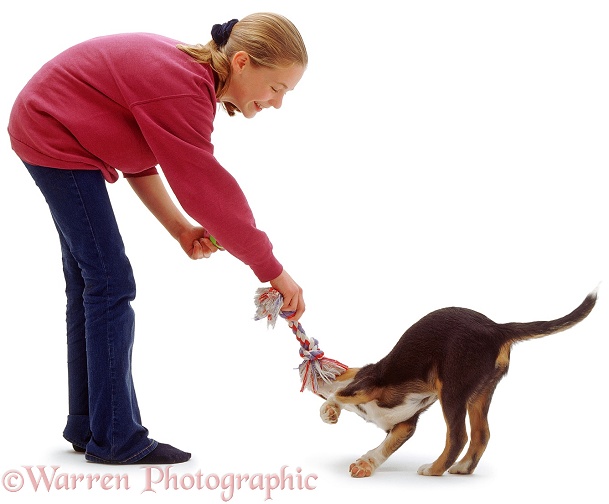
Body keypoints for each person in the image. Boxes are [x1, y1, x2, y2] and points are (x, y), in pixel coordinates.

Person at [7, 12, 307, 465]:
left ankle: (90, 425)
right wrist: (273, 271)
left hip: (52, 127)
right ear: (242, 62)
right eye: (277, 88)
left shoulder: (187, 80)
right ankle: (117, 438)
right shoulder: (184, 87)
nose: (278, 103)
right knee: (110, 282)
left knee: (92, 284)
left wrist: (179, 229)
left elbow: (137, 155)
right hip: (55, 134)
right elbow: (208, 193)